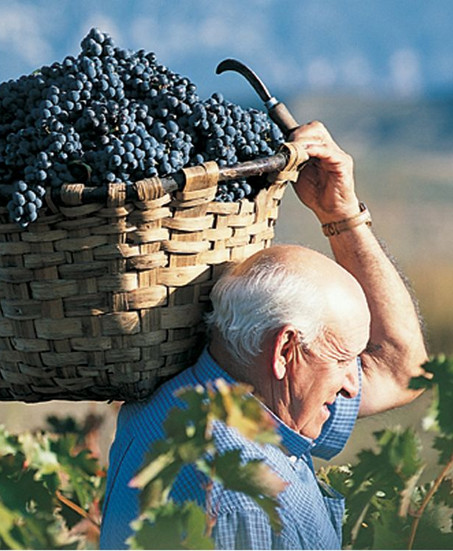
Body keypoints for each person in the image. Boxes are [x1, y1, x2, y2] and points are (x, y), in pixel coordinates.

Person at [99, 121, 428, 549]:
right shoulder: (244, 505)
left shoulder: (199, 396)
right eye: (345, 357)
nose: (353, 382)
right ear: (285, 350)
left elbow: (401, 369)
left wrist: (341, 215)